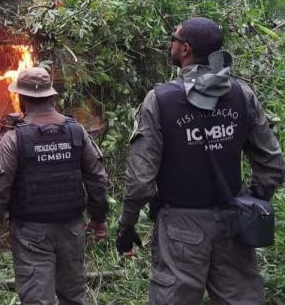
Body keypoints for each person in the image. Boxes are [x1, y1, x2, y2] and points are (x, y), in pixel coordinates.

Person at [117, 17, 285, 304]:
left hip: (180, 225)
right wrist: (253, 202)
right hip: (233, 220)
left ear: (185, 50)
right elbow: (272, 162)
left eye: (174, 37)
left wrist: (127, 223)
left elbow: (141, 179)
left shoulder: (160, 100)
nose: (171, 41)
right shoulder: (241, 93)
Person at [0, 66, 109, 305]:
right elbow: (98, 179)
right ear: (51, 96)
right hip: (71, 228)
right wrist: (99, 218)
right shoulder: (77, 131)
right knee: (73, 297)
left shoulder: (14, 139)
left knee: (38, 299)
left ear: (21, 98)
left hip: (31, 234)